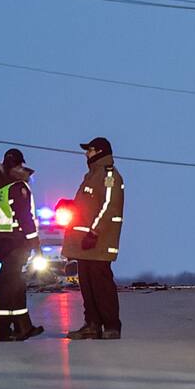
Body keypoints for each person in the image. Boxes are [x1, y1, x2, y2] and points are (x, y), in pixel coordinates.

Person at [63, 137, 125, 340]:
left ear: (98, 152)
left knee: (101, 285)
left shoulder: (109, 176)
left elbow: (109, 206)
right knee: (87, 285)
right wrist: (68, 205)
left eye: (89, 150)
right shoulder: (91, 176)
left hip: (98, 242)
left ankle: (111, 326)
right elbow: (87, 208)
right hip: (84, 244)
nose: (85, 154)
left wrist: (94, 232)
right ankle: (92, 324)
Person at [0, 148, 44, 341]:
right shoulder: (17, 187)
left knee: (15, 283)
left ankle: (23, 326)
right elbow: (26, 219)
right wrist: (36, 245)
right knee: (8, 287)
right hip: (16, 242)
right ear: (19, 164)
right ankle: (1, 330)